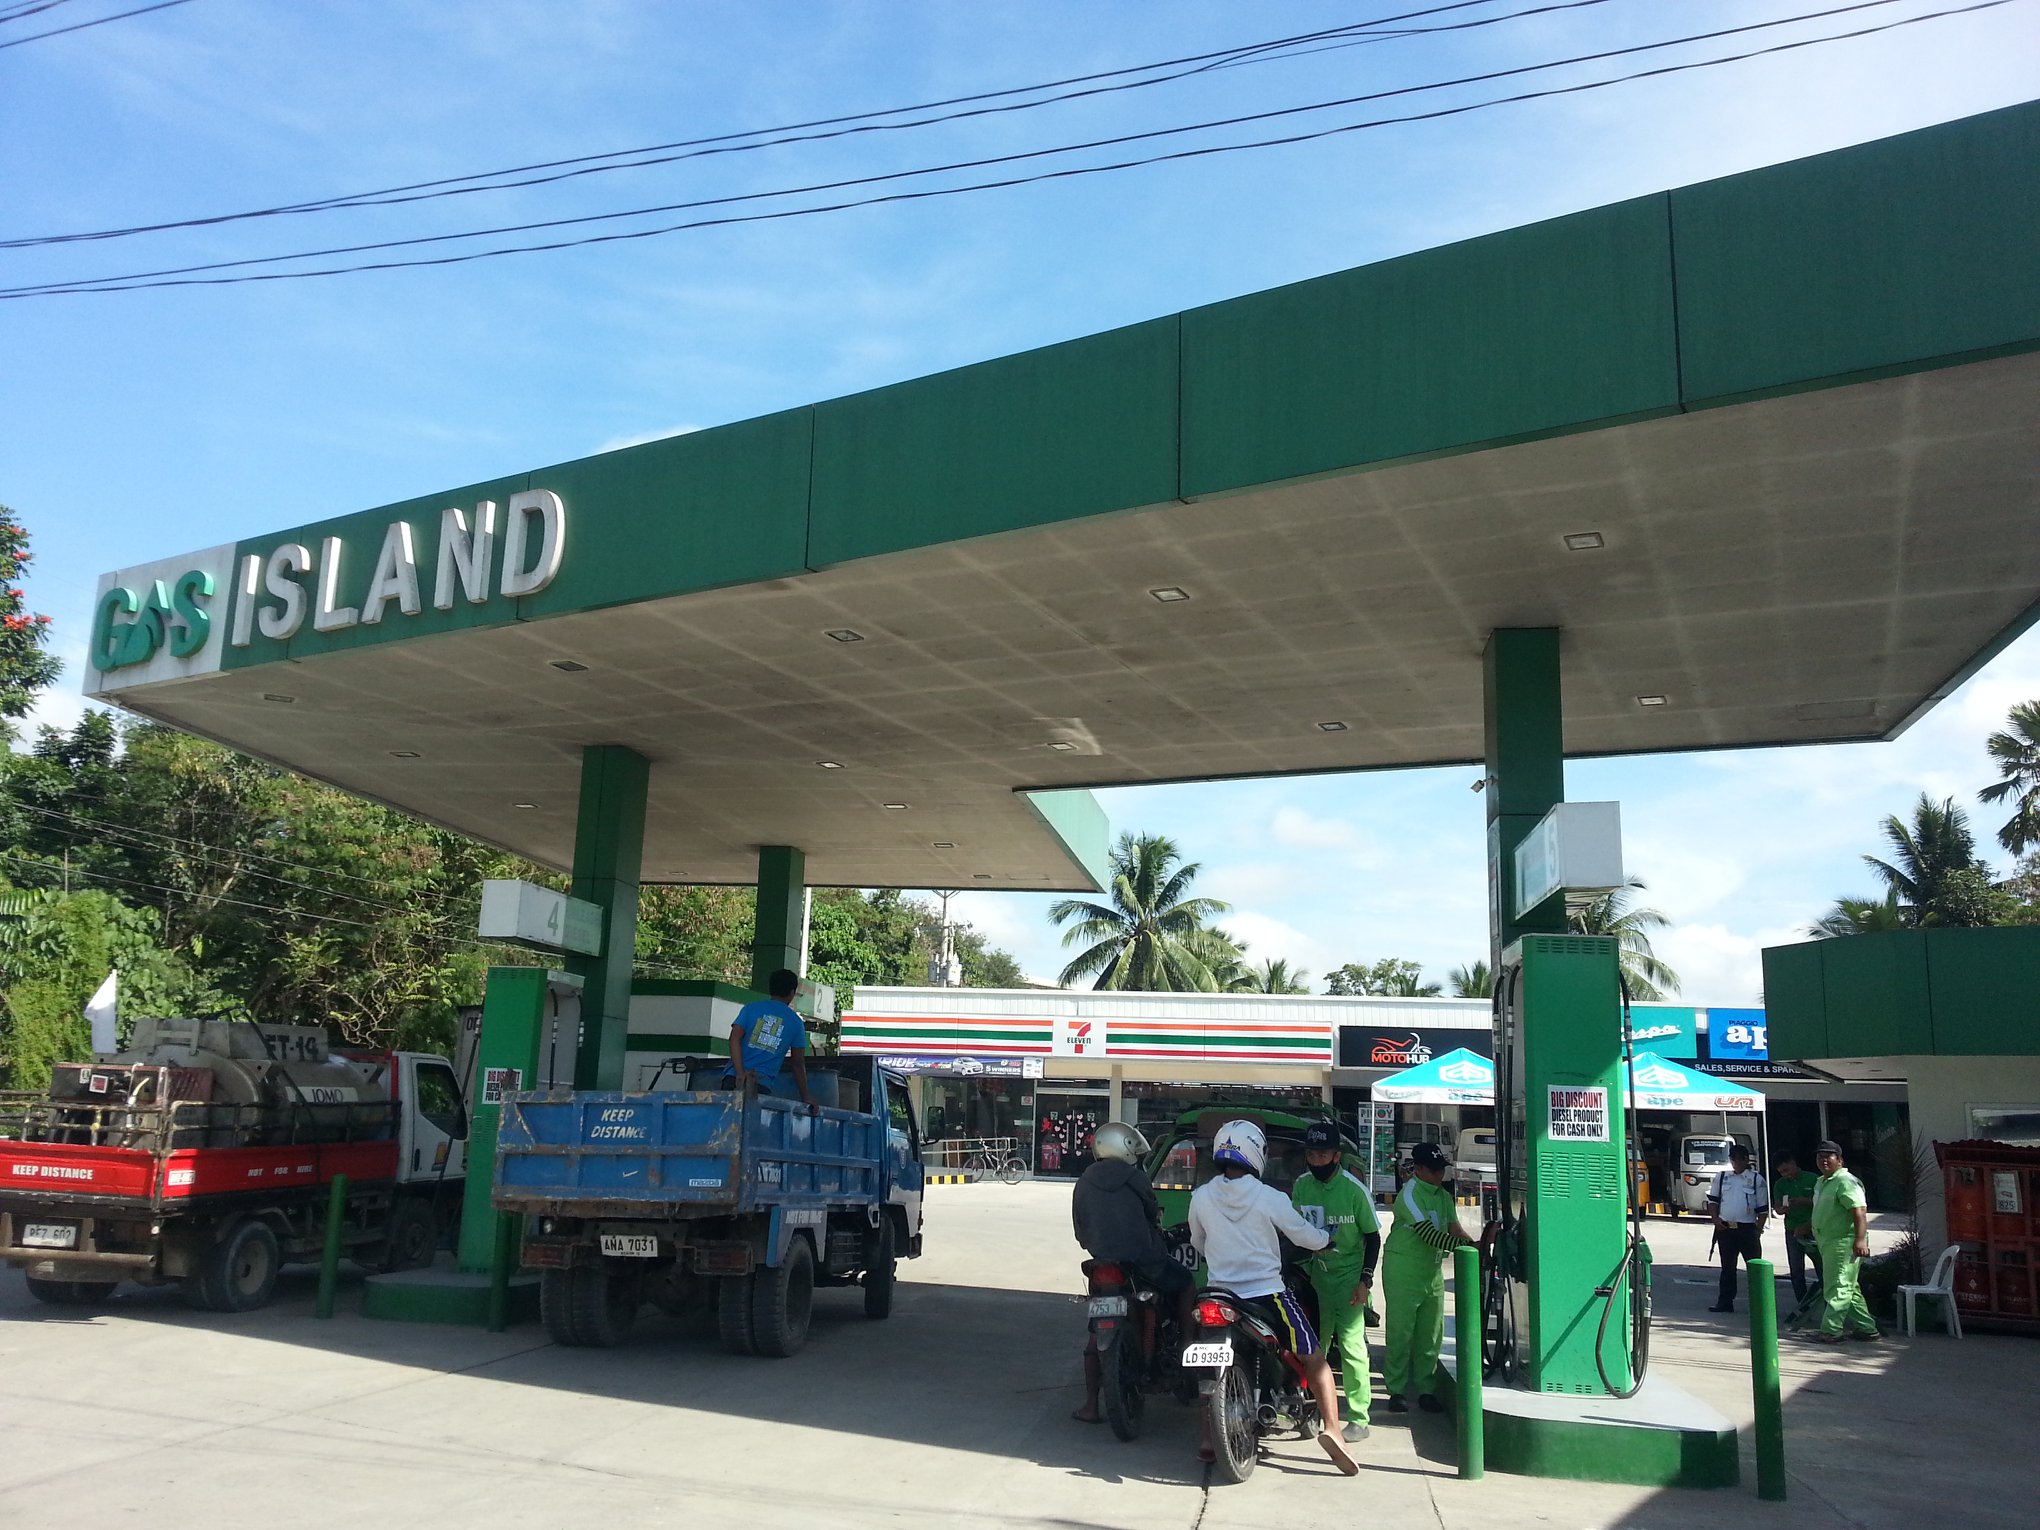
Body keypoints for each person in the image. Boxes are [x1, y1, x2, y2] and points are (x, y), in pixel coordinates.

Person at [1187, 1119, 1359, 1476]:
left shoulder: (1201, 1196)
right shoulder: (1269, 1197)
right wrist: (1326, 1240)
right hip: (1268, 1296)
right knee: (1315, 1358)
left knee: (1207, 1368)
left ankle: (1207, 1439)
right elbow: (1304, 1236)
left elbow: (1198, 1242)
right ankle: (1334, 1431)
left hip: (1219, 1296)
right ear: (1256, 1153)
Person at [1070, 1122, 1195, 1424]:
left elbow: (1080, 1231)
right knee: (1187, 1284)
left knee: (1093, 1338)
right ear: (1126, 1150)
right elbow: (1153, 1213)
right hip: (1145, 1261)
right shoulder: (1135, 1178)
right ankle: (1186, 1347)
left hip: (1104, 1266)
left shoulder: (1083, 1182)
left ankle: (1090, 1405)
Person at [1290, 1120, 1382, 1444]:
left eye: (1323, 1154)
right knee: (1312, 1348)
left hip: (1348, 1282)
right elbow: (1294, 1231)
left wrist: (1364, 1282)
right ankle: (1311, 1412)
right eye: (1312, 1154)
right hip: (1315, 1279)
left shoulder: (1354, 1191)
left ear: (1336, 1157)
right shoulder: (1301, 1186)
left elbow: (1373, 1238)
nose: (1317, 1161)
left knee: (1352, 1347)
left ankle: (1358, 1417)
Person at [1381, 1141, 1489, 1415]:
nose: (1439, 1174)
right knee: (1401, 1333)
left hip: (1431, 1272)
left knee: (1431, 1334)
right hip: (1403, 1270)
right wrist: (1468, 1248)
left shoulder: (1442, 1196)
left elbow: (1454, 1228)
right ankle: (1396, 1390)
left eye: (1441, 1169)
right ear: (1417, 1169)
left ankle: (1426, 1390)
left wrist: (1476, 1245)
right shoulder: (1410, 1194)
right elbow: (1429, 1234)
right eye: (1433, 1170)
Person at [1809, 1139, 1879, 1344]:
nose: (1823, 1161)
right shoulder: (1822, 1181)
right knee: (1849, 1287)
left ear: (1839, 1160)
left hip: (1843, 1242)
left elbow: (1859, 1212)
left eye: (1828, 1157)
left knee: (1838, 1286)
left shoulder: (1846, 1181)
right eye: (1819, 1157)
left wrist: (1860, 1240)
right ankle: (1866, 1328)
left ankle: (1831, 1331)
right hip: (1827, 1241)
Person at [719, 968, 818, 1112]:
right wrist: (805, 1097)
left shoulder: (751, 1008)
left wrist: (740, 1073)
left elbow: (734, 1039)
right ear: (792, 992)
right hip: (760, 1083)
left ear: (771, 988)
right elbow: (797, 1063)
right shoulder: (796, 1023)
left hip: (732, 1079)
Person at [1705, 1143, 1770, 1313]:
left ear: (1746, 1160)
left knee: (1755, 1268)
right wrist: (1715, 1220)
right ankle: (1725, 1302)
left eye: (1740, 1159)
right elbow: (1713, 1201)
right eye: (1733, 1159)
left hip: (1747, 1229)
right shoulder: (1722, 1177)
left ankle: (1759, 1303)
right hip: (1726, 1228)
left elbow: (1763, 1209)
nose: (1736, 1163)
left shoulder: (1756, 1179)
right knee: (1727, 1268)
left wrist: (1758, 1230)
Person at [1772, 1153, 1821, 1305]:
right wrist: (1780, 1210)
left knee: (1822, 1267)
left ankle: (1827, 1303)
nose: (1785, 1175)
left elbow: (1823, 1203)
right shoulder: (1780, 1184)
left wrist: (1805, 1201)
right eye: (1782, 1172)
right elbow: (1777, 1205)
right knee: (1796, 1270)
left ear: (1793, 1163)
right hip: (1792, 1230)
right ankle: (1802, 1305)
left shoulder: (1813, 1179)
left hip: (1814, 1228)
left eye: (1787, 1170)